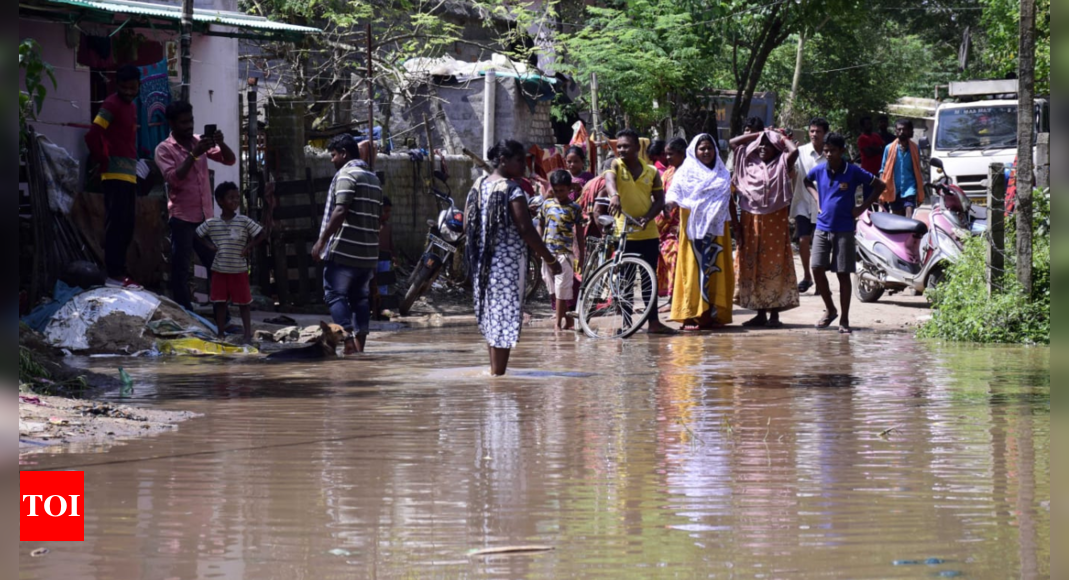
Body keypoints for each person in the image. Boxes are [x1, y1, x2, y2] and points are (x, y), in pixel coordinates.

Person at [465, 140, 562, 376]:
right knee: (505, 317)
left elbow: (468, 223)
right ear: (503, 160)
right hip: (507, 266)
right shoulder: (512, 189)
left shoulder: (478, 185)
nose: (524, 167)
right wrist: (550, 260)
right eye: (519, 160)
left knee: (493, 318)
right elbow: (526, 230)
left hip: (483, 265)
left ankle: (494, 373)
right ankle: (499, 378)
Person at [155, 101, 237, 310]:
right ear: (172, 124)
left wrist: (222, 143)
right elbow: (174, 179)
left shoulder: (199, 141)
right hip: (182, 218)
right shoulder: (164, 149)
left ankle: (222, 318)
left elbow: (230, 160)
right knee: (181, 270)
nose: (189, 125)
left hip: (204, 218)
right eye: (183, 122)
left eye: (190, 120)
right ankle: (186, 315)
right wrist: (194, 155)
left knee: (215, 266)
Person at [805, 133, 887, 335]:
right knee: (816, 268)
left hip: (844, 229)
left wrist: (862, 208)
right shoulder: (819, 170)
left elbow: (880, 185)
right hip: (823, 227)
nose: (829, 154)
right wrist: (817, 200)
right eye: (826, 151)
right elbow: (806, 181)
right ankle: (830, 309)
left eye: (833, 150)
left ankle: (844, 319)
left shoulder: (853, 171)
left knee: (843, 274)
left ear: (842, 151)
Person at [312, 134, 383, 355]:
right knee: (360, 298)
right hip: (368, 252)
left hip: (345, 250)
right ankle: (360, 347)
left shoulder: (346, 175)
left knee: (334, 294)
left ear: (344, 153)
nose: (332, 160)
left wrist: (321, 241)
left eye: (333, 155)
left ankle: (348, 341)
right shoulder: (373, 179)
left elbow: (340, 210)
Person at [602, 129, 677, 336]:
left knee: (648, 280)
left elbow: (660, 200)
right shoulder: (614, 164)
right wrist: (614, 195)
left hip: (648, 234)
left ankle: (653, 322)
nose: (622, 150)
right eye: (619, 147)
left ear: (637, 147)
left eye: (626, 146)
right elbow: (609, 180)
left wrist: (647, 217)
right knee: (625, 280)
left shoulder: (651, 171)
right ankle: (627, 324)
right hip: (623, 233)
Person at [666, 134, 739, 332]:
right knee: (692, 271)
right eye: (702, 149)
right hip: (693, 232)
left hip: (718, 231)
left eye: (709, 148)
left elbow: (729, 200)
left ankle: (713, 314)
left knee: (716, 271)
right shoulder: (685, 172)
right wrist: (669, 205)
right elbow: (674, 193)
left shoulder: (722, 173)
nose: (706, 152)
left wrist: (737, 229)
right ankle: (690, 314)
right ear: (694, 151)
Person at [731, 129, 801, 328]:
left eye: (768, 145)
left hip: (775, 222)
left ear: (776, 148)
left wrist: (781, 138)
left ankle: (775, 316)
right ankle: (760, 313)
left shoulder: (782, 163)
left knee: (774, 265)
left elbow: (794, 152)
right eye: (760, 145)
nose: (763, 148)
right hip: (750, 220)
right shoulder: (747, 163)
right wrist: (760, 134)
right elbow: (733, 142)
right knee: (754, 265)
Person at [85, 64, 142, 290]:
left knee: (127, 225)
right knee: (117, 225)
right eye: (125, 87)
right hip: (114, 173)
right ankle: (114, 274)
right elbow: (92, 135)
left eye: (133, 88)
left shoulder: (132, 107)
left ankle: (120, 272)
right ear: (117, 85)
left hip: (129, 174)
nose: (129, 92)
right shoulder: (110, 104)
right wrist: (102, 159)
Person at [195, 183, 266, 344]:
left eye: (237, 197)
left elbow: (262, 234)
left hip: (239, 270)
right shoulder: (212, 223)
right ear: (220, 201)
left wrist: (248, 247)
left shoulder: (243, 221)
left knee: (244, 304)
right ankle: (221, 333)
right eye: (230, 198)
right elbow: (197, 234)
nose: (235, 201)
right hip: (219, 269)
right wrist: (209, 246)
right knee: (220, 303)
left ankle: (247, 334)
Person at [539, 170, 586, 332]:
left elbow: (579, 234)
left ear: (569, 189)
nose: (559, 194)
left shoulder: (574, 208)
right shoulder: (547, 204)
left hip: (565, 254)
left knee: (561, 288)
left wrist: (581, 255)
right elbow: (540, 224)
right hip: (547, 253)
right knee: (552, 288)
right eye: (556, 190)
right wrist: (539, 246)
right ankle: (567, 320)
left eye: (562, 191)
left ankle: (557, 325)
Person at [791, 118, 829, 295]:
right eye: (812, 131)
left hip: (824, 205)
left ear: (825, 133)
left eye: (818, 131)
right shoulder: (800, 152)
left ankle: (819, 278)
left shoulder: (830, 154)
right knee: (803, 239)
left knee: (820, 244)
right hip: (802, 201)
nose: (814, 134)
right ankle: (807, 276)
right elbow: (791, 172)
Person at [656, 138, 688, 299]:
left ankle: (677, 299)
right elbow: (661, 198)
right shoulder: (668, 173)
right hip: (667, 226)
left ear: (682, 154)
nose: (667, 158)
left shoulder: (690, 172)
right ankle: (671, 297)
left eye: (671, 154)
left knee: (675, 256)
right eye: (666, 154)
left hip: (684, 225)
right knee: (666, 257)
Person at [879, 119, 926, 218]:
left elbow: (917, 170)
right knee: (898, 220)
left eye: (904, 129)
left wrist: (919, 190)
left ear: (909, 131)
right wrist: (880, 191)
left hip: (910, 188)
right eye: (899, 129)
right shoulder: (889, 148)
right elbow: (883, 170)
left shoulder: (915, 148)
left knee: (908, 217)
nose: (901, 132)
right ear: (895, 131)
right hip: (894, 189)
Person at [373, 196, 396, 320]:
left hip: (385, 259)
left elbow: (391, 243)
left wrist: (394, 256)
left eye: (389, 212)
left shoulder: (388, 227)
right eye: (385, 211)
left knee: (384, 284)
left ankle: (383, 308)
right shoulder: (373, 226)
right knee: (373, 283)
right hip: (375, 259)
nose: (388, 215)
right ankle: (374, 307)